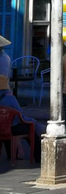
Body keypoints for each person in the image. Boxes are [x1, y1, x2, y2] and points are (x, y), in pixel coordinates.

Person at [0, 34, 42, 162]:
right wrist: (33, 122)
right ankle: (38, 157)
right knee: (28, 125)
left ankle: (14, 153)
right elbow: (21, 117)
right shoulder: (8, 98)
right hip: (8, 126)